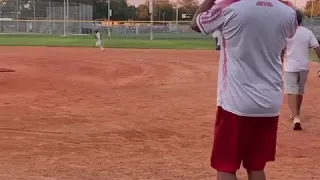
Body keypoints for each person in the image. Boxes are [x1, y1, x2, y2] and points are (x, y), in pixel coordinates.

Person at [190, 0, 297, 179]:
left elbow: (196, 24)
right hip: (270, 102)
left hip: (236, 102)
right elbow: (291, 29)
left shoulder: (229, 7)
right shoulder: (287, 12)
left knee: (226, 166)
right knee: (256, 166)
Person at [282, 10, 320, 131]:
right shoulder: (307, 32)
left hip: (290, 67)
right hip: (304, 66)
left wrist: (279, 62)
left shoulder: (286, 32)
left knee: (291, 91)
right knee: (299, 91)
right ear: (301, 20)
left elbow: (281, 50)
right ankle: (296, 113)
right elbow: (317, 48)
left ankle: (296, 116)